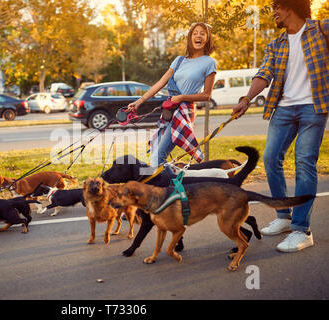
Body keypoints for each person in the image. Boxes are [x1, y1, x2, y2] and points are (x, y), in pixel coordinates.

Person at [232, 0, 328, 252]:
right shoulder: (276, 44)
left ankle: (302, 230)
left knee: (304, 161)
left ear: (291, 6)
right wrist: (246, 99)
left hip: (314, 107)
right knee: (271, 157)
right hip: (284, 108)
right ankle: (283, 217)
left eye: (277, 7)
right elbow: (264, 73)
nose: (273, 13)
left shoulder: (322, 30)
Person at [126, 22, 217, 176]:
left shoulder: (209, 63)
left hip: (184, 112)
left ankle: (171, 188)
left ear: (207, 39)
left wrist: (181, 97)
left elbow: (206, 96)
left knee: (159, 156)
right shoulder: (179, 60)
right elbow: (161, 83)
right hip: (170, 110)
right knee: (156, 154)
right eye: (195, 33)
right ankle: (172, 188)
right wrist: (139, 102)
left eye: (202, 33)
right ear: (190, 38)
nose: (198, 36)